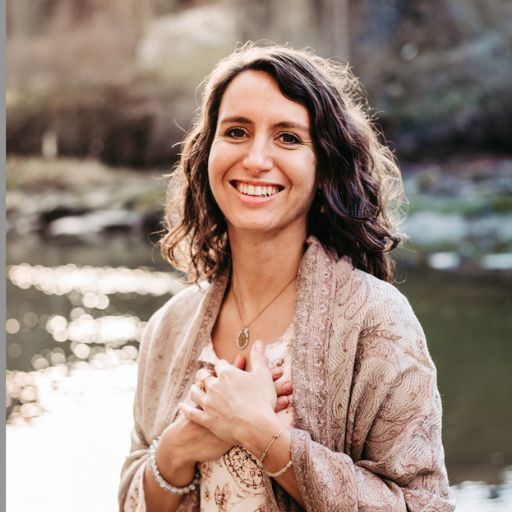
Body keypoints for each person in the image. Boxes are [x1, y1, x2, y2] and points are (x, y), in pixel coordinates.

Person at [119, 43, 455, 511]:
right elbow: (132, 498)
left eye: (288, 138)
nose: (256, 159)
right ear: (208, 152)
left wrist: (263, 435)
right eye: (236, 131)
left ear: (324, 165)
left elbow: (423, 504)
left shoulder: (377, 319)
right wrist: (177, 449)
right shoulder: (168, 327)